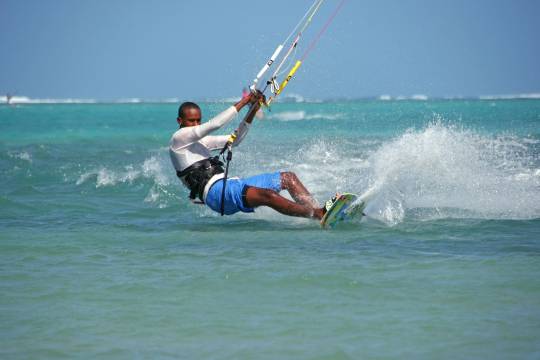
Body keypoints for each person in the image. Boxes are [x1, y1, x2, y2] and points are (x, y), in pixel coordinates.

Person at [169, 91, 331, 220]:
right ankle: (318, 214)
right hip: (215, 193)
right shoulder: (178, 139)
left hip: (229, 185)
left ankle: (321, 213)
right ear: (179, 121)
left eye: (198, 120)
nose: (196, 125)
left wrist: (253, 109)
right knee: (268, 196)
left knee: (288, 178)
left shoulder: (202, 141)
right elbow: (215, 124)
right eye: (191, 121)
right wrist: (244, 101)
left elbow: (236, 139)